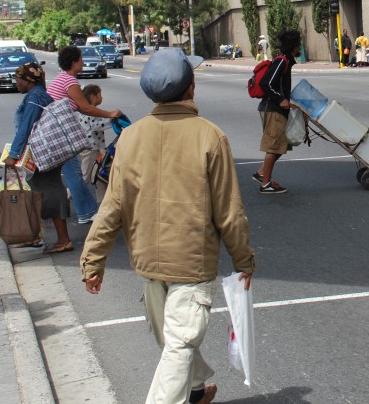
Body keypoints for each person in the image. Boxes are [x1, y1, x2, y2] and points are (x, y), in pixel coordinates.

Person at [80, 48, 254, 404]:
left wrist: (92, 260)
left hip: (147, 259)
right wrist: (243, 260)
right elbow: (229, 211)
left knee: (174, 338)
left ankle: (195, 391)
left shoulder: (130, 137)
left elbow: (112, 205)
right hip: (191, 262)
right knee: (178, 343)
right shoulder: (210, 136)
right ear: (190, 88)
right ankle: (185, 392)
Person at [3, 62, 74, 254]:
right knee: (38, 192)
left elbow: (27, 127)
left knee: (48, 192)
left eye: (18, 80)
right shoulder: (40, 94)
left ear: (28, 81)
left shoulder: (34, 97)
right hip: (47, 151)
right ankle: (34, 236)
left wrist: (13, 155)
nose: (16, 84)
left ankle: (63, 239)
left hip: (42, 153)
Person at [49, 45, 123, 225]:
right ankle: (87, 212)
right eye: (81, 59)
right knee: (75, 174)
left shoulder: (62, 78)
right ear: (74, 62)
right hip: (58, 132)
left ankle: (84, 210)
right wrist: (110, 114)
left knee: (69, 173)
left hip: (55, 130)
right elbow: (85, 107)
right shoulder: (70, 81)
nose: (83, 62)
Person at [252, 29, 301, 194]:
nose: (300, 46)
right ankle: (265, 184)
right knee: (274, 146)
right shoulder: (282, 61)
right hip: (272, 109)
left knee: (281, 144)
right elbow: (267, 83)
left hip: (277, 109)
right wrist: (281, 99)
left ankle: (261, 173)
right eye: (299, 43)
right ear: (293, 45)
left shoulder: (286, 60)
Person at [77, 84, 110, 203]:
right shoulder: (88, 111)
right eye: (99, 96)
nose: (101, 98)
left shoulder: (92, 110)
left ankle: (103, 201)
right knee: (85, 176)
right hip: (90, 149)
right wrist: (111, 121)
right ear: (92, 96)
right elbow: (95, 126)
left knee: (100, 175)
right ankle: (68, 195)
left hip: (97, 148)